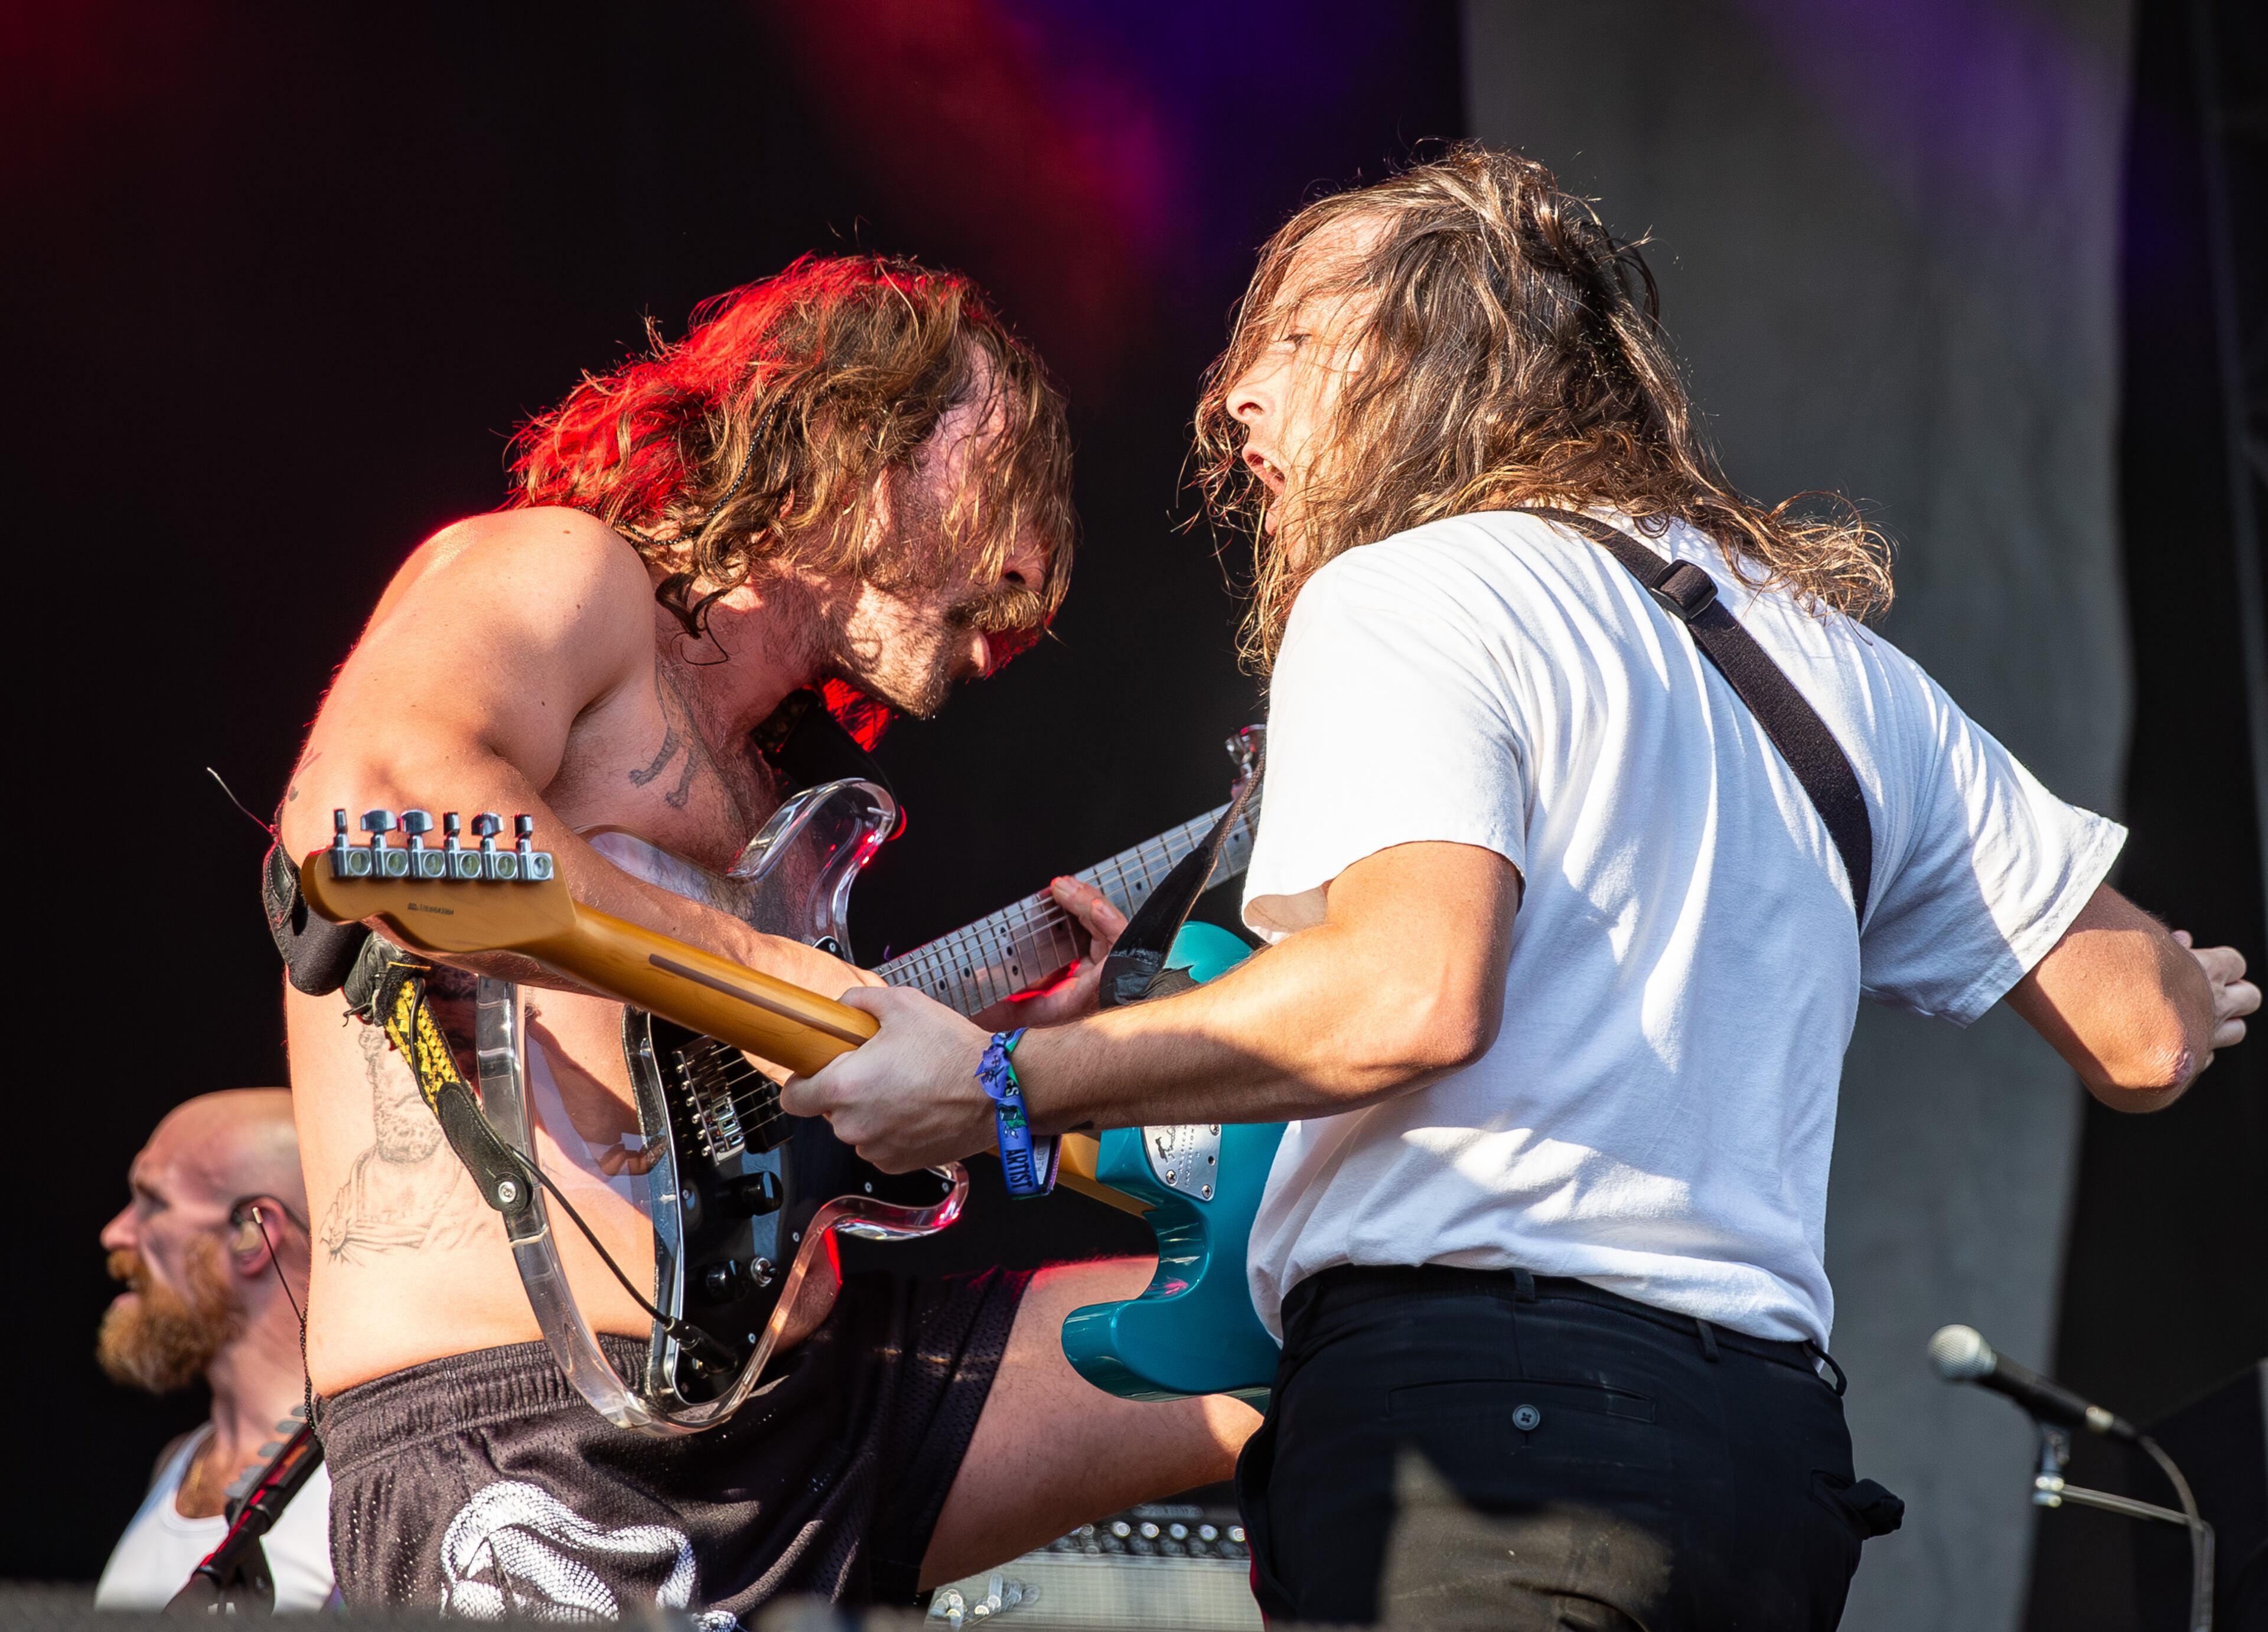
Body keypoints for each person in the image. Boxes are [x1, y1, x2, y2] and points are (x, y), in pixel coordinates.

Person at [782, 148, 2264, 1630]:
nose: (1231, 395)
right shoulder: (1840, 671)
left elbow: (1412, 994)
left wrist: (998, 1079)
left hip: (1485, 1443)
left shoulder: (1410, 589)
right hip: (1763, 1471)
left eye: (1288, 339)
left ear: (1430, 353)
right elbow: (2140, 1034)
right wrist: (2188, 983)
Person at [272, 255, 1255, 1621]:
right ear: (853, 429)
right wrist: (800, 993)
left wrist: (997, 1072)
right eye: (1005, 480)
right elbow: (371, 810)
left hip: (812, 1397)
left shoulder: (768, 781)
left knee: (1293, 1317)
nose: (1033, 569)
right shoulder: (557, 570)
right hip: (536, 1428)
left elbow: (723, 1113)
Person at [94, 1090, 333, 1611]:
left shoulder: (365, 1481)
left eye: (153, 1202)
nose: (116, 1233)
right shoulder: (177, 1464)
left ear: (254, 1233)